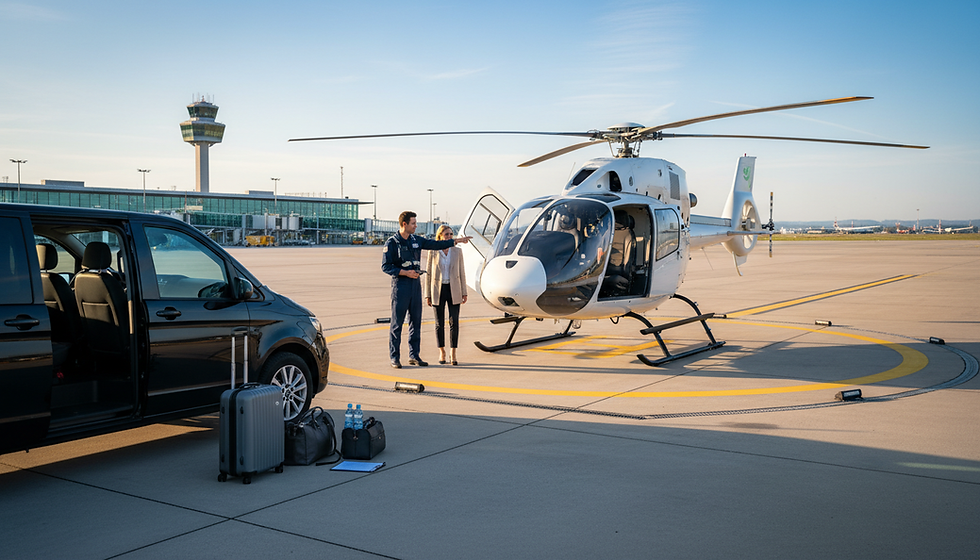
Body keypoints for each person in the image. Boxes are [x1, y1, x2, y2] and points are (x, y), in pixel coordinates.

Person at [382, 211, 470, 368]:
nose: (416, 226)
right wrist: (404, 272)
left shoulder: (416, 240)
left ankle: (414, 355)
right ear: (404, 224)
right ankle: (394, 357)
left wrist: (456, 241)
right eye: (413, 223)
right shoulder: (392, 243)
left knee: (416, 323)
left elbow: (436, 245)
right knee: (397, 324)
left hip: (415, 285)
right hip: (401, 286)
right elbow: (386, 266)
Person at [424, 225, 467, 365]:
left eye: (451, 234)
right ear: (440, 236)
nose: (449, 236)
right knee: (439, 323)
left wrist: (464, 292)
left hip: (453, 288)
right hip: (438, 289)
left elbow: (462, 272)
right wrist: (427, 294)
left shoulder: (457, 251)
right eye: (446, 234)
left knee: (454, 322)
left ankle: (453, 352)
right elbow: (428, 274)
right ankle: (441, 351)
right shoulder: (433, 252)